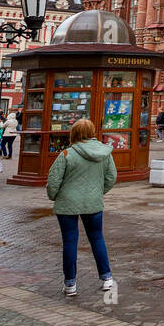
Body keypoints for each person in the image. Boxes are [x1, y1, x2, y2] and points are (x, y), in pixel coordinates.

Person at [45, 118, 117, 296]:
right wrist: (98, 192)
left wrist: (54, 196)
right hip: (93, 202)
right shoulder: (105, 153)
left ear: (74, 133)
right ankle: (107, 278)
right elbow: (111, 178)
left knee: (70, 242)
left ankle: (70, 284)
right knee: (97, 238)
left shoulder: (67, 154)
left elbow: (53, 181)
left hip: (67, 202)